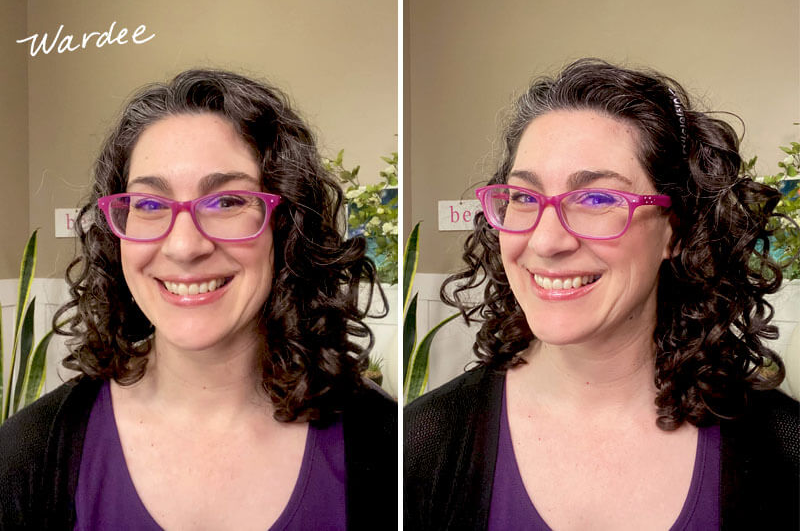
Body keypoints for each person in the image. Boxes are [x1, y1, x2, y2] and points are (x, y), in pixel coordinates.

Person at [404, 59, 799, 530]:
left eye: (596, 200)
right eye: (524, 198)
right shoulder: (421, 442)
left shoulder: (783, 449)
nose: (547, 242)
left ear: (675, 232)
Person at [0, 69, 396, 530]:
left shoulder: (386, 443)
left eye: (227, 201)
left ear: (286, 226)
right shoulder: (26, 457)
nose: (184, 247)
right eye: (148, 205)